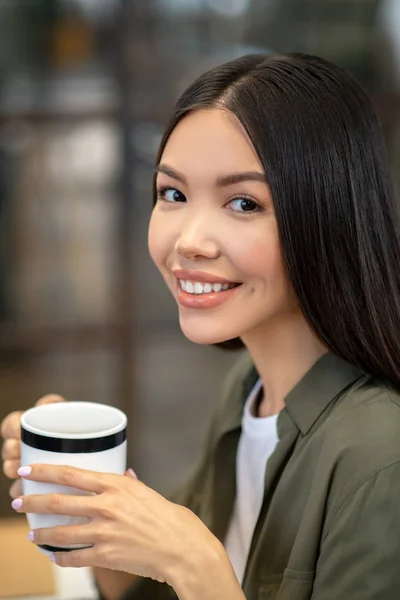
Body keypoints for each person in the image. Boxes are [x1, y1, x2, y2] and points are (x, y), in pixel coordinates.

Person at [2, 52, 400, 600]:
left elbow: (191, 575)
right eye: (174, 194)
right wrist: (93, 506)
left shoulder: (381, 457)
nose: (190, 240)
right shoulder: (248, 390)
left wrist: (194, 562)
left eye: (242, 202)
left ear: (327, 215)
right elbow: (154, 592)